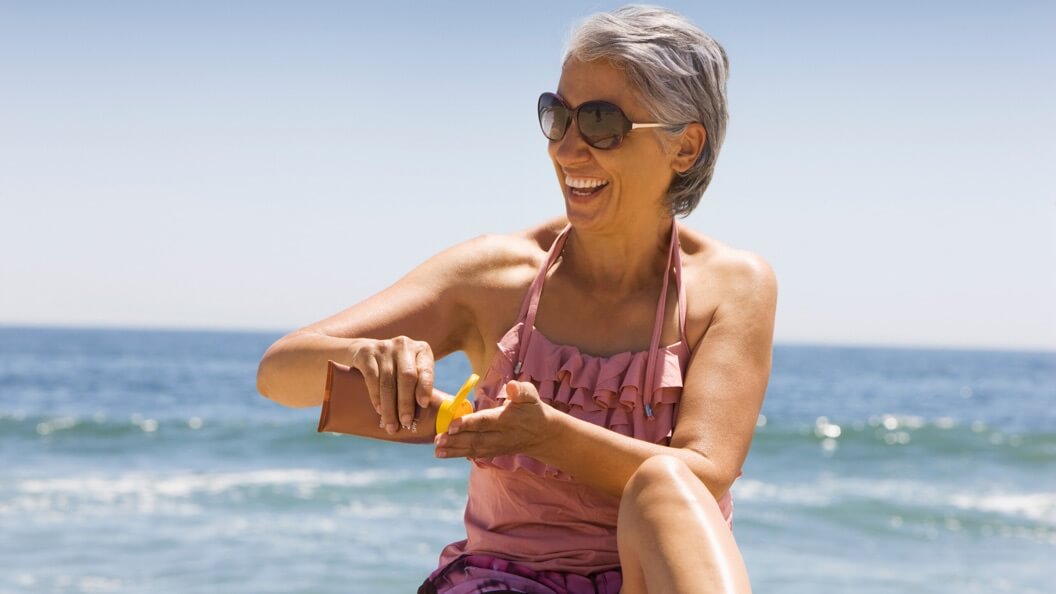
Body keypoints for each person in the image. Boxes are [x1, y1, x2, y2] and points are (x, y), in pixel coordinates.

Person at [257, 5, 776, 593]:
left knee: (667, 487)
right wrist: (366, 360)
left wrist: (547, 435)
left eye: (602, 122)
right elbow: (278, 373)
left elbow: (704, 477)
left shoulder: (730, 286)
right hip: (504, 582)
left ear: (684, 148)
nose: (568, 149)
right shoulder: (497, 275)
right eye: (558, 117)